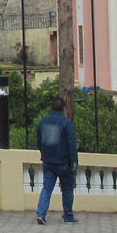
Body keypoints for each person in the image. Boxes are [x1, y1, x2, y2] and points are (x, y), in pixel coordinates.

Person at [35, 96, 78, 225]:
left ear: (51, 108)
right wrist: (74, 162)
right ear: (64, 108)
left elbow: (39, 141)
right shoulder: (66, 123)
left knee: (47, 188)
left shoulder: (42, 122)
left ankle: (41, 214)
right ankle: (68, 215)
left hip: (48, 161)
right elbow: (71, 144)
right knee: (67, 189)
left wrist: (43, 153)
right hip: (64, 162)